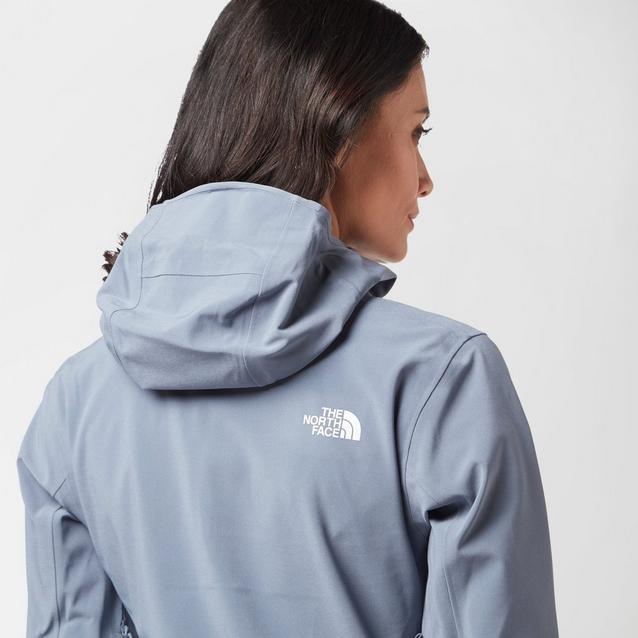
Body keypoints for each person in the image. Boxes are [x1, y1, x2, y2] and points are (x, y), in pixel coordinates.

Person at [16, 0, 560, 636]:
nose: (425, 178)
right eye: (416, 133)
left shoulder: (75, 404)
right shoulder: (441, 380)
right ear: (340, 129)